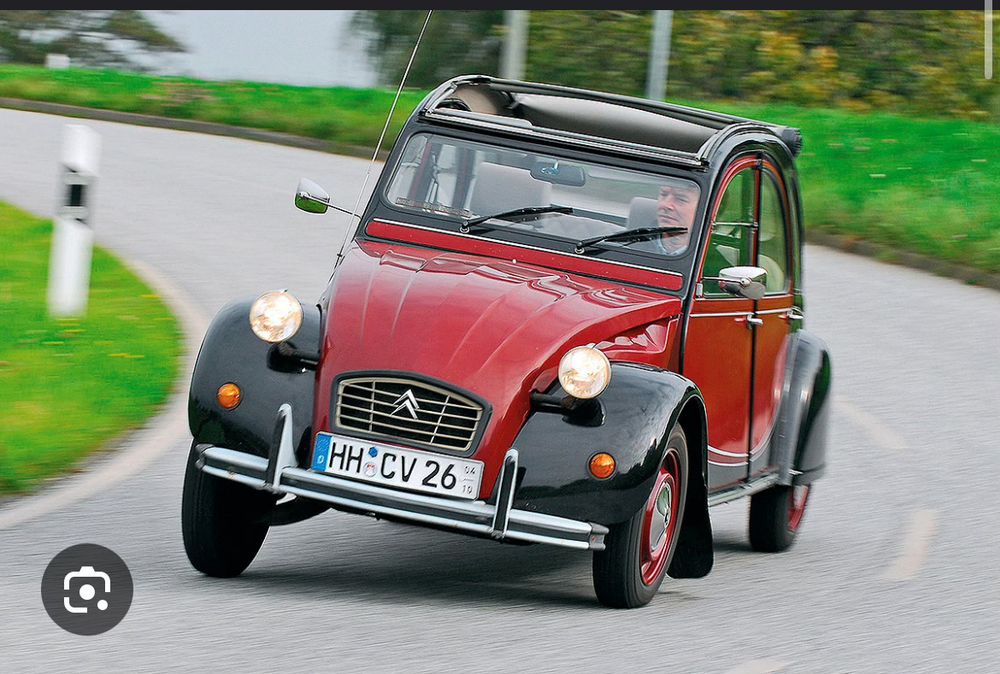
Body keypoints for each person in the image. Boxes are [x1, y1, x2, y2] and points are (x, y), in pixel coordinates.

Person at [655, 179, 699, 254]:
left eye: (680, 199)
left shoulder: (712, 262)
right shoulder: (632, 245)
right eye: (663, 194)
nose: (665, 205)